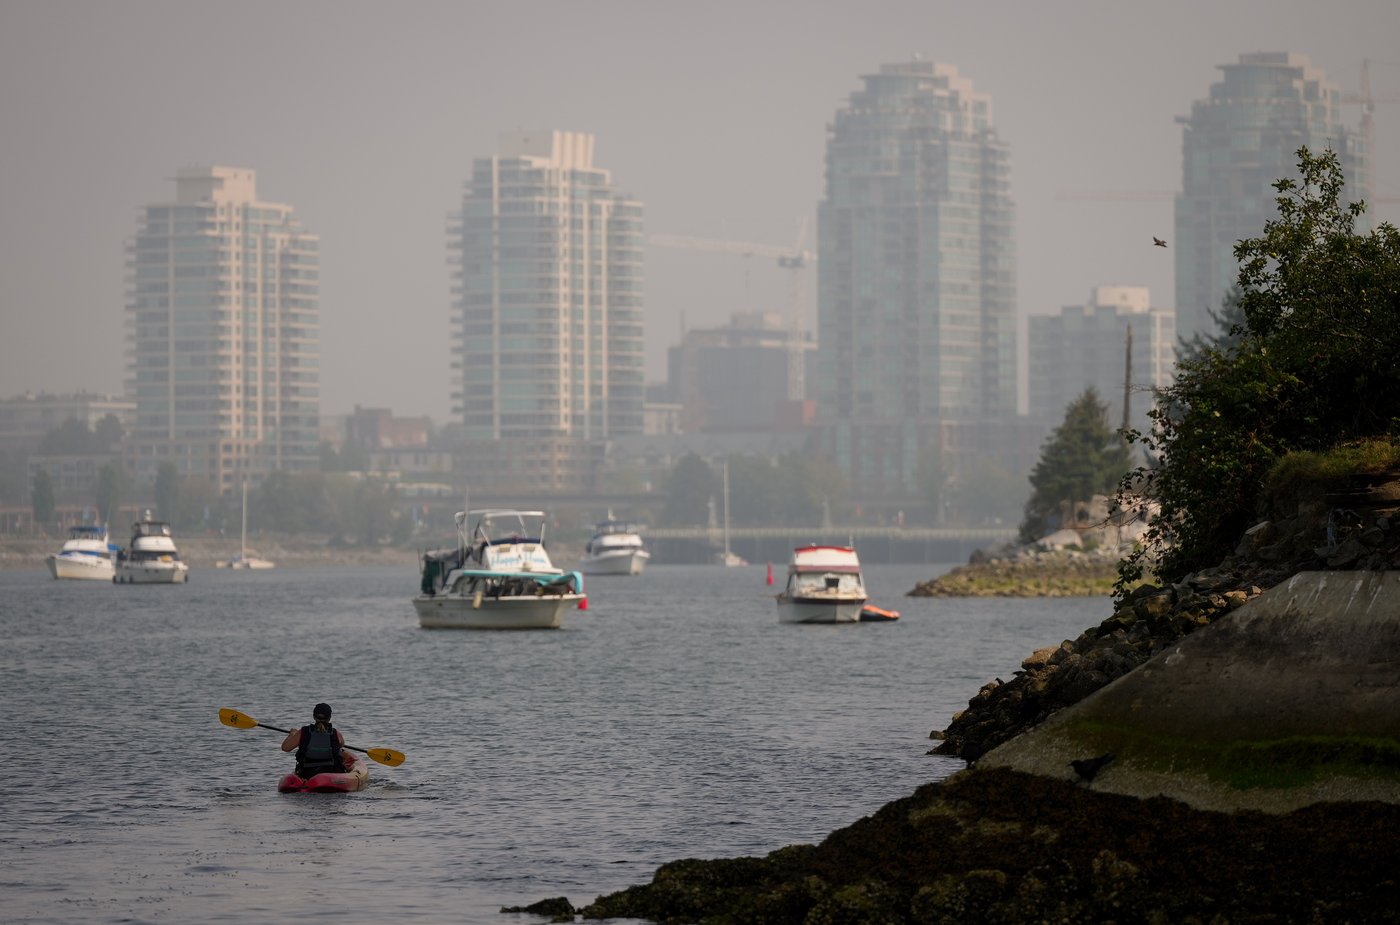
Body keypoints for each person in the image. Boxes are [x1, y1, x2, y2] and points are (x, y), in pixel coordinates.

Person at [281, 703, 346, 778]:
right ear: (329, 718)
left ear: (314, 716)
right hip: (331, 772)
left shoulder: (303, 732)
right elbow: (341, 745)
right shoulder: (336, 733)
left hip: (307, 773)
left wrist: (292, 735)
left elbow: (285, 748)